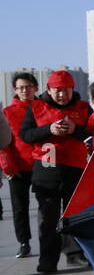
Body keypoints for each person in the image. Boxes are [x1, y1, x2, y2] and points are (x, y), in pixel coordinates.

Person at [20, 71, 92, 273]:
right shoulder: (35, 107)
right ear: (49, 90)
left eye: (66, 90)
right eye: (58, 91)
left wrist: (75, 130)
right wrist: (48, 130)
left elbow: (93, 134)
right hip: (46, 171)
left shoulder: (84, 107)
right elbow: (26, 135)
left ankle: (74, 255)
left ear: (72, 89)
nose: (62, 95)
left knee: (74, 215)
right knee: (48, 218)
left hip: (75, 169)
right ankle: (47, 260)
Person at [1, 73, 39, 257]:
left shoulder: (44, 108)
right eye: (21, 87)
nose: (25, 90)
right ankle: (24, 243)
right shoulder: (7, 112)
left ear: (36, 88)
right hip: (18, 167)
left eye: (29, 86)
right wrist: (8, 166)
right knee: (19, 208)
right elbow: (2, 143)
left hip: (42, 166)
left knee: (48, 208)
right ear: (15, 90)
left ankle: (49, 241)